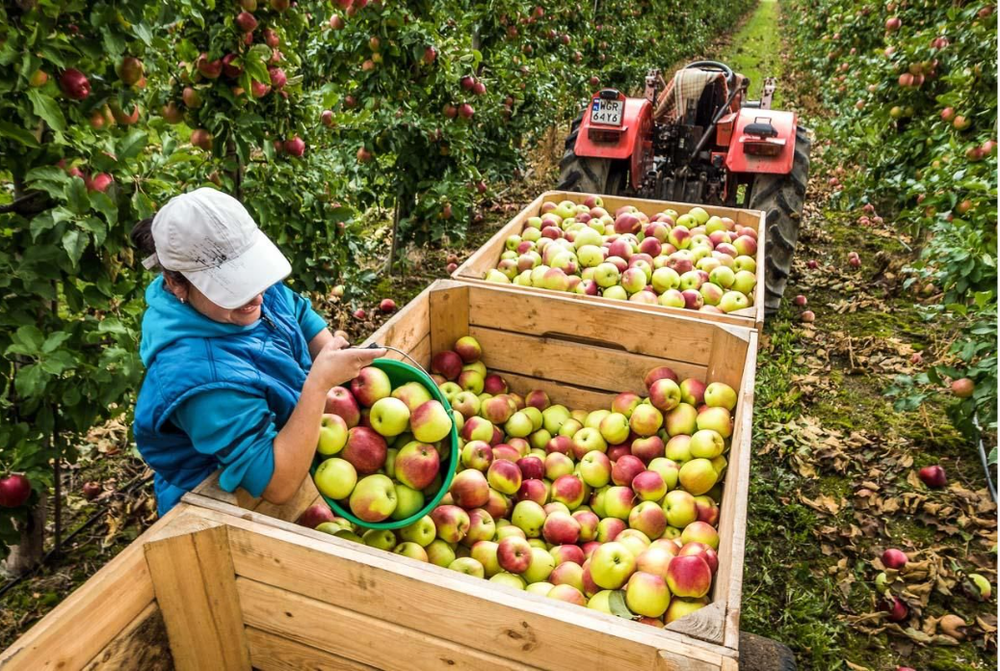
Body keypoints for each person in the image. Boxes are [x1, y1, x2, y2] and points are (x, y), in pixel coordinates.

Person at [130, 188, 384, 515]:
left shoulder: (247, 292)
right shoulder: (198, 380)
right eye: (230, 287)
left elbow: (294, 312)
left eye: (253, 275)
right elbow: (277, 485)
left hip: (297, 439)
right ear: (177, 283)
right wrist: (319, 385)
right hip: (220, 510)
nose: (256, 297)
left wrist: (330, 355)